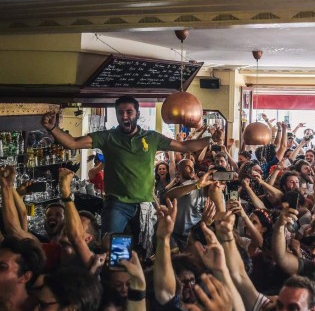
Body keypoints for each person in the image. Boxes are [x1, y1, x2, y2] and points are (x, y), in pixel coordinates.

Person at [40, 96, 212, 255]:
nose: (125, 116)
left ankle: (140, 279)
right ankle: (115, 282)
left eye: (129, 112)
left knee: (145, 249)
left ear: (137, 113)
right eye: (120, 113)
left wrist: (210, 140)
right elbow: (73, 143)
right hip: (117, 204)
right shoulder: (108, 137)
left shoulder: (151, 138)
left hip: (145, 204)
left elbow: (185, 147)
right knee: (113, 249)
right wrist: (52, 128)